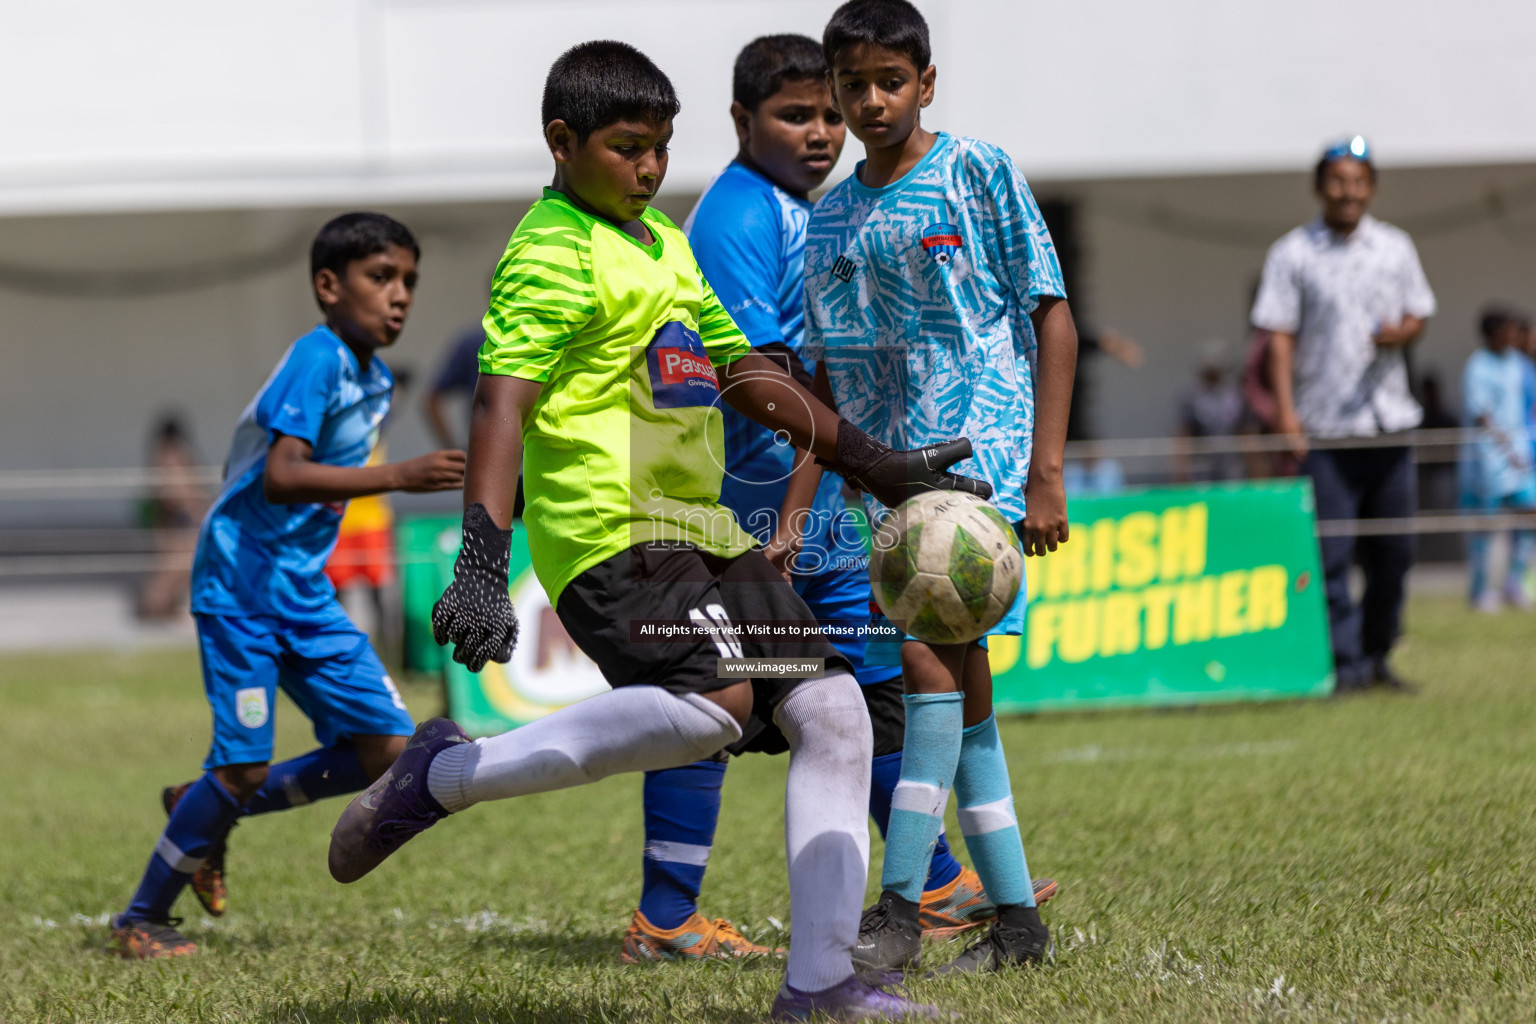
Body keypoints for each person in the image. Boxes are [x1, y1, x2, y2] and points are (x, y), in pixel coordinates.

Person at [327, 41, 986, 1021]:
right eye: (627, 148)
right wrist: (480, 556)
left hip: (701, 527)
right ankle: (450, 772)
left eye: (660, 148)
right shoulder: (548, 250)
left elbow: (748, 372)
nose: (647, 170)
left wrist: (874, 462)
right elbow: (499, 405)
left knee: (837, 713)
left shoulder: (661, 242)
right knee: (717, 703)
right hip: (610, 533)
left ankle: (820, 987)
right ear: (563, 142)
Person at [619, 32, 1054, 964]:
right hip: (773, 487)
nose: (827, 127)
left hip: (842, 483)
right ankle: (912, 895)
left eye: (834, 107)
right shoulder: (747, 218)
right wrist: (788, 510)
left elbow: (822, 372)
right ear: (743, 120)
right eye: (804, 110)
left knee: (886, 679)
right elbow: (769, 374)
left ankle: (942, 892)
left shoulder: (824, 207)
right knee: (740, 688)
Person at [799, 0, 1077, 974]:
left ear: (925, 83)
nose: (870, 101)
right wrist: (808, 503)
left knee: (924, 666)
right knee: (964, 704)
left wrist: (1045, 472)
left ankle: (901, 910)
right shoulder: (828, 217)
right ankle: (1018, 925)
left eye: (889, 81)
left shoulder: (977, 171)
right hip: (888, 481)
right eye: (852, 85)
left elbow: (1052, 315)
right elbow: (822, 378)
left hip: (980, 460)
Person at [107, 213, 467, 959]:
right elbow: (280, 476)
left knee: (388, 749)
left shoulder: (369, 377)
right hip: (241, 585)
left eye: (408, 281)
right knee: (240, 764)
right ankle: (141, 920)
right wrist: (397, 474)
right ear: (328, 286)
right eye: (381, 277)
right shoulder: (319, 357)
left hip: (301, 590)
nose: (399, 296)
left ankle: (200, 808)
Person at [1252, 136, 1436, 693]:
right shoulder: (1293, 253)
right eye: (1337, 180)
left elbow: (1419, 314)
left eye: (1358, 181)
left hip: (1389, 422)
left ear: (1371, 187)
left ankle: (1379, 655)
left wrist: (1403, 333)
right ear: (1319, 186)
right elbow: (1278, 337)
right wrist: (1285, 412)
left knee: (1395, 551)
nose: (1348, 192)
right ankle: (1346, 665)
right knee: (1330, 554)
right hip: (1324, 426)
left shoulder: (1396, 247)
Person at [325, 366, 414, 651]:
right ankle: (338, 652)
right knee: (338, 595)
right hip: (339, 522)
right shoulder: (331, 426)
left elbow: (398, 392)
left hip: (373, 520)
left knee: (380, 596)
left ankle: (389, 654)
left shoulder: (376, 421)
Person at [1460, 308, 1536, 612]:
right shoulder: (1477, 366)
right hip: (1489, 458)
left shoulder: (1518, 364)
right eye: (1508, 330)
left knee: (1530, 514)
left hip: (1521, 459)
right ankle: (1480, 590)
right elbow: (1482, 415)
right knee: (1487, 526)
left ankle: (1515, 583)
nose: (1514, 336)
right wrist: (1508, 449)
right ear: (1493, 333)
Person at [135, 414, 210, 620]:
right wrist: (196, 510)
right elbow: (174, 493)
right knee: (173, 567)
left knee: (178, 565)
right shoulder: (170, 455)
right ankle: (152, 607)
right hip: (177, 520)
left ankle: (161, 607)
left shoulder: (170, 455)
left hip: (180, 520)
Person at [1174, 340, 1245, 483]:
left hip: (1231, 467)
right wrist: (1180, 473)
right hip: (1202, 468)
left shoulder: (1235, 394)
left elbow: (1246, 432)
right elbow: (1183, 435)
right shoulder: (1192, 395)